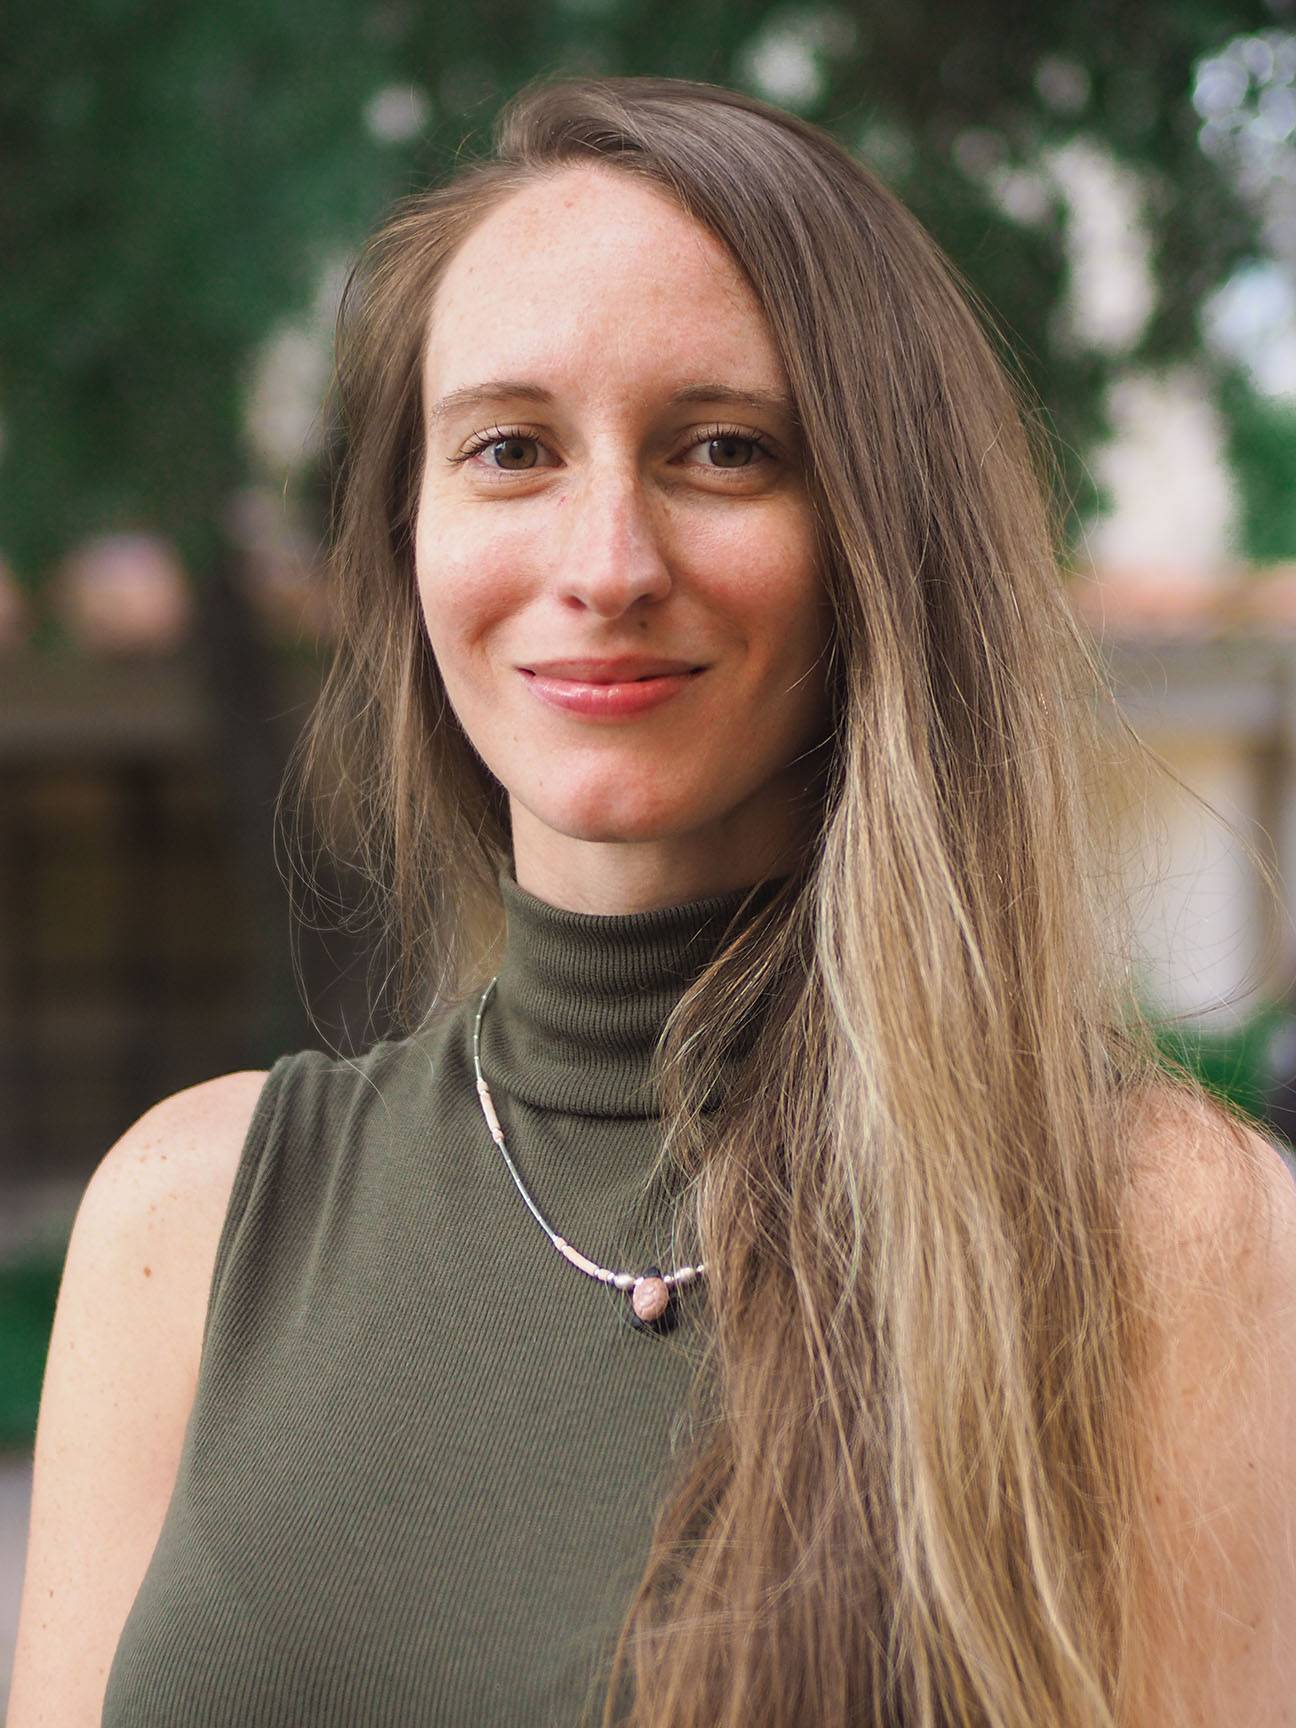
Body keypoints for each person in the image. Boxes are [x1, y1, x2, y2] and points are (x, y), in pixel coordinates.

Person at [9, 73, 1296, 1728]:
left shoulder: (1160, 1238)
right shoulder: (181, 1227)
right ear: (409, 536)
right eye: (509, 448)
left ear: (877, 540)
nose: (605, 559)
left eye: (722, 450)